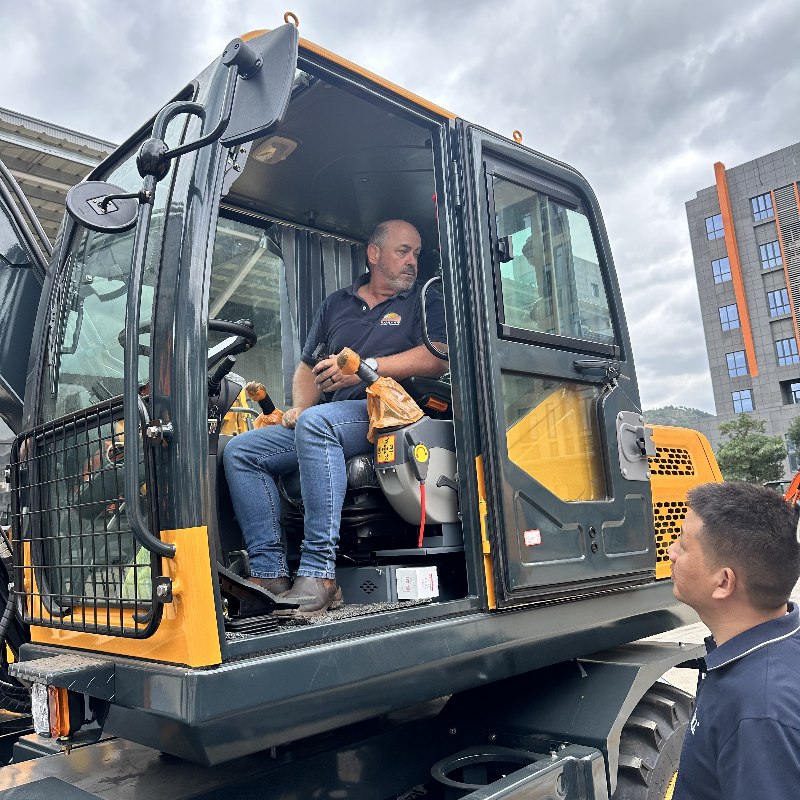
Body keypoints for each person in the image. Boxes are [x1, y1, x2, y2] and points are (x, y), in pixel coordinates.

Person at [223, 220, 448, 617]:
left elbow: (437, 356)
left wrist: (367, 367)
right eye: (403, 251)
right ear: (374, 253)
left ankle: (319, 573)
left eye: (416, 252)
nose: (413, 261)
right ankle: (269, 572)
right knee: (242, 450)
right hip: (335, 417)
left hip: (393, 415)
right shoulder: (336, 304)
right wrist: (300, 407)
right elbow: (307, 367)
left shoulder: (424, 300)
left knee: (319, 424)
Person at [668, 481, 800, 799]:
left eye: (683, 546)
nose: (671, 552)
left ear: (724, 582)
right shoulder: (773, 651)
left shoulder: (758, 712)